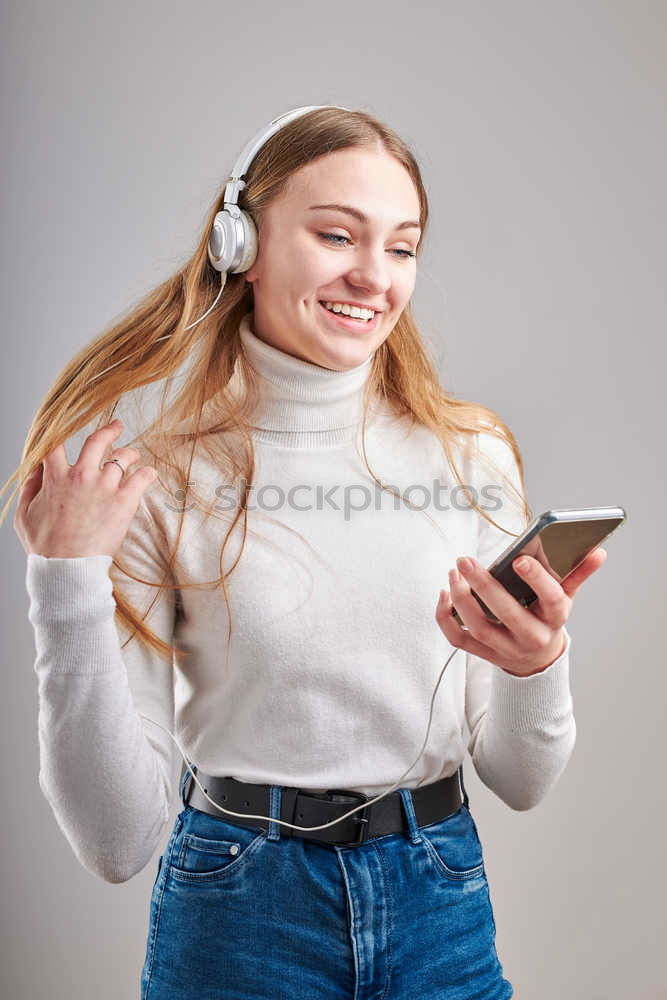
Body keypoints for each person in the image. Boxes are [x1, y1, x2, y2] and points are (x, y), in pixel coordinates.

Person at [6, 106, 606, 999]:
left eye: (402, 247)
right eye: (336, 235)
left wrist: (536, 663)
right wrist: (64, 579)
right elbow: (116, 840)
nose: (373, 276)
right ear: (238, 242)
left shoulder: (469, 452)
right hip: (236, 912)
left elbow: (521, 779)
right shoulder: (158, 478)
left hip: (438, 897)